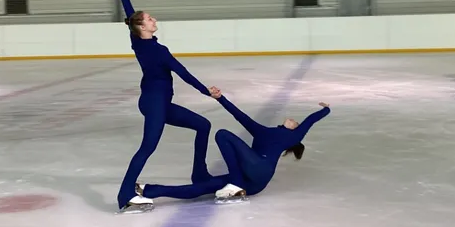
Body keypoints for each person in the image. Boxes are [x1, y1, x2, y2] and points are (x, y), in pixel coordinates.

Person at [111, 0, 218, 213]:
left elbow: (130, 16)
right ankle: (125, 194)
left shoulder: (138, 41)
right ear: (142, 26)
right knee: (148, 146)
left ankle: (199, 173)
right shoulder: (159, 51)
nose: (154, 20)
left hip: (158, 103)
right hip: (154, 103)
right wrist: (207, 91)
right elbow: (184, 74)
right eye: (150, 19)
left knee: (203, 125)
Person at [132, 87, 331, 208]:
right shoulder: (262, 131)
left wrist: (326, 109)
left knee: (223, 134)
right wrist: (220, 98)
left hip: (261, 171)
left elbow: (310, 120)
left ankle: (235, 184)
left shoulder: (292, 137)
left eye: (296, 122)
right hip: (251, 182)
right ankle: (149, 190)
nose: (294, 120)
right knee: (202, 187)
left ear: (295, 130)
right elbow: (238, 114)